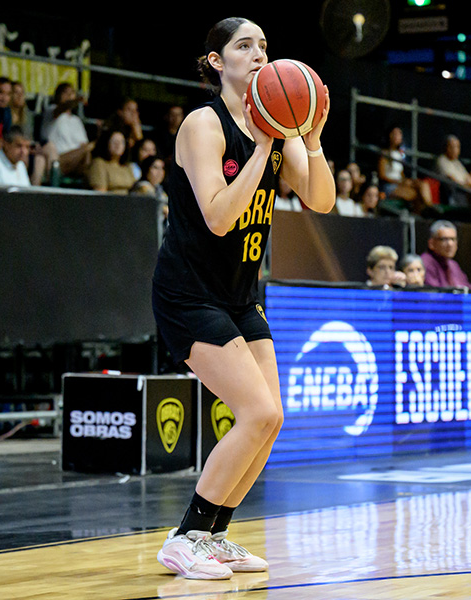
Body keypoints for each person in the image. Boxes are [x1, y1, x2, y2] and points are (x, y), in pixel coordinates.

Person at [152, 17, 333, 580]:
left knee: (271, 420)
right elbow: (220, 216)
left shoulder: (277, 129)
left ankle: (217, 535)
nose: (258, 54)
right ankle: (186, 536)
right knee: (256, 412)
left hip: (239, 294)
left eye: (263, 46)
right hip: (189, 291)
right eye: (243, 45)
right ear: (215, 61)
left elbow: (321, 201)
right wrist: (262, 148)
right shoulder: (202, 125)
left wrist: (311, 140)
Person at [420, 220, 470, 288]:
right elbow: (435, 294)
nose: (450, 244)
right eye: (444, 239)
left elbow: (468, 288)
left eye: (453, 239)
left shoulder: (454, 265)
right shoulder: (424, 263)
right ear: (431, 243)